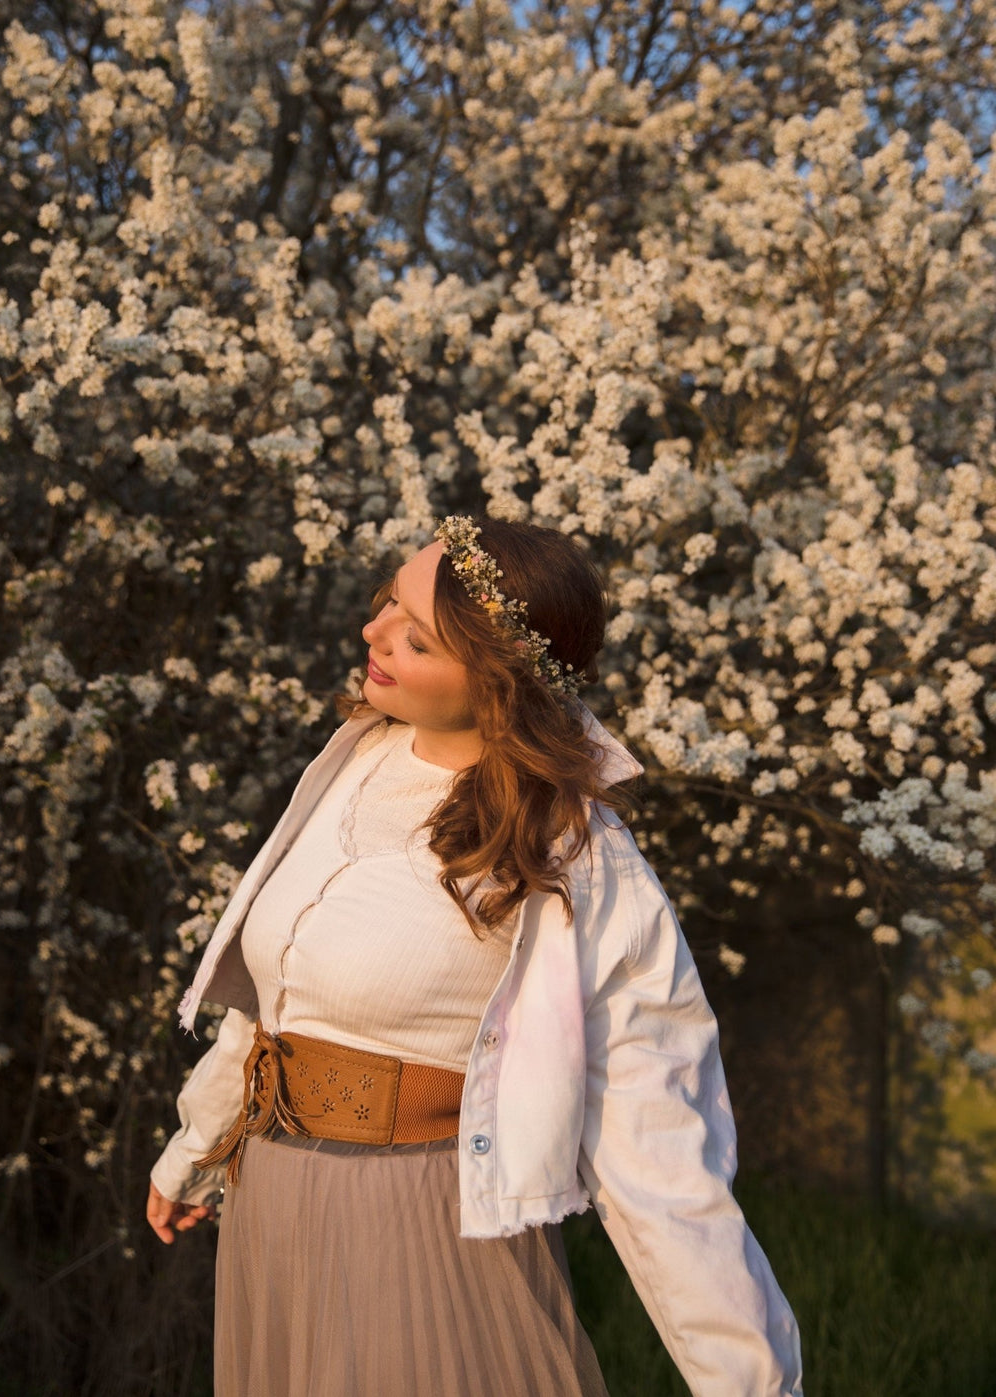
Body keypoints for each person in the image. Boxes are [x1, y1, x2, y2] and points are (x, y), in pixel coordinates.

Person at [147, 515, 804, 1397]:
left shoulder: (573, 856)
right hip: (273, 1201)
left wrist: (753, 1384)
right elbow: (278, 998)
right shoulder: (360, 758)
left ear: (496, 683)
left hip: (413, 1232)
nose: (372, 634)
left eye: (415, 637)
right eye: (387, 604)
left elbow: (661, 1156)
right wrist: (202, 1140)